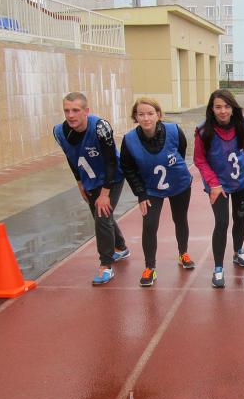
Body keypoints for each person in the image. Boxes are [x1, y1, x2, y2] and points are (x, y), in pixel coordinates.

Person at [53, 91, 129, 285]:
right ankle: (120, 247)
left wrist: (105, 193)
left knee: (102, 216)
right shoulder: (59, 132)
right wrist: (79, 182)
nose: (70, 115)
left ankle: (106, 266)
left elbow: (111, 162)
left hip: (112, 176)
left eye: (75, 110)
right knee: (102, 215)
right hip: (89, 177)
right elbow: (71, 159)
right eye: (67, 110)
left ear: (86, 111)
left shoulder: (100, 128)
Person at [120, 97, 195, 287]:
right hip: (151, 188)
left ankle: (183, 253)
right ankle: (150, 268)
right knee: (150, 224)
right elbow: (128, 168)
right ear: (135, 117)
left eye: (150, 113)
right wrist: (140, 194)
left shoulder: (174, 131)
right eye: (141, 114)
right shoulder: (129, 140)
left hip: (179, 184)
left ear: (159, 115)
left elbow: (182, 151)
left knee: (180, 219)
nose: (146, 118)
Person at [194, 89, 244, 289]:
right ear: (211, 109)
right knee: (221, 222)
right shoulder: (204, 131)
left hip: (241, 180)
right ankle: (218, 267)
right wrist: (213, 183)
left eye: (227, 106)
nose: (223, 111)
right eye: (218, 107)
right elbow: (199, 159)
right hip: (218, 184)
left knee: (240, 217)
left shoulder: (242, 124)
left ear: (232, 107)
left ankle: (238, 251)